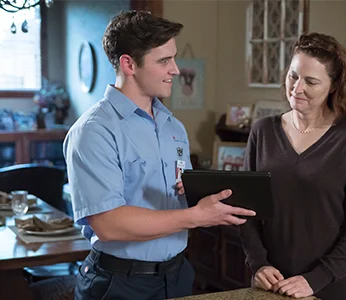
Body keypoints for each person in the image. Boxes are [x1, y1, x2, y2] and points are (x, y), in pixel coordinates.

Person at [63, 11, 255, 300]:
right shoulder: (94, 131)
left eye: (174, 58)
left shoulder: (173, 127)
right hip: (119, 284)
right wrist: (195, 216)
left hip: (176, 275)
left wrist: (200, 194)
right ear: (128, 64)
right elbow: (108, 224)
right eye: (164, 61)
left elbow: (178, 192)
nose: (176, 70)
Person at [240, 32, 346, 300]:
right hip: (272, 287)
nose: (296, 88)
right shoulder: (263, 131)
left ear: (334, 86)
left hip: (333, 289)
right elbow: (247, 210)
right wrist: (257, 263)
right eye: (293, 75)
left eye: (311, 81)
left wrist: (316, 279)